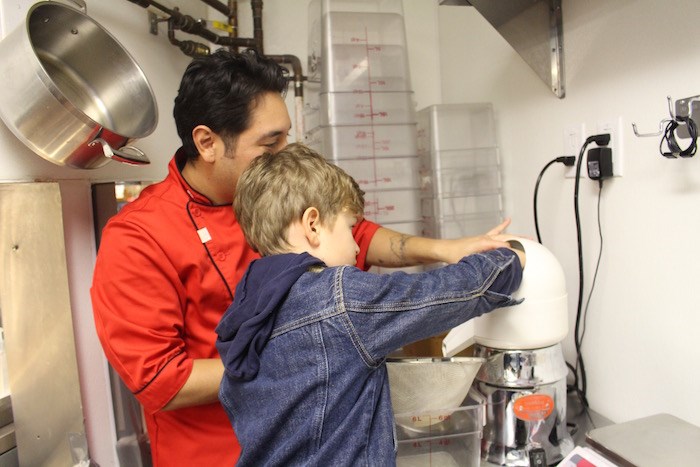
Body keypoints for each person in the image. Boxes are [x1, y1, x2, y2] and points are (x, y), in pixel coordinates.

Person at [90, 48, 516, 466]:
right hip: (214, 455)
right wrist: (303, 357)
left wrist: (445, 249)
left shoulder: (274, 194)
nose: (285, 152)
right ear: (208, 143)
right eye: (270, 142)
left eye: (287, 136)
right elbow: (160, 379)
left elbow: (358, 238)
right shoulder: (137, 236)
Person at [215, 143, 525, 465]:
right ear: (312, 225)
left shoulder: (247, 310)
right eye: (351, 229)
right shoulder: (339, 299)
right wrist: (510, 259)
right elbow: (443, 293)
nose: (355, 248)